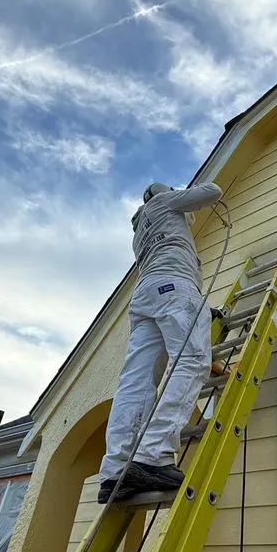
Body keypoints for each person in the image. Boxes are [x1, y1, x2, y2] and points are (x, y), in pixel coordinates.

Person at [97, 181, 224, 503]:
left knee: (136, 380)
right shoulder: (163, 202)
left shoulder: (140, 230)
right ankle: (152, 455)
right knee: (192, 360)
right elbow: (212, 191)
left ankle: (116, 471)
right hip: (173, 288)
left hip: (146, 296)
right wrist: (179, 191)